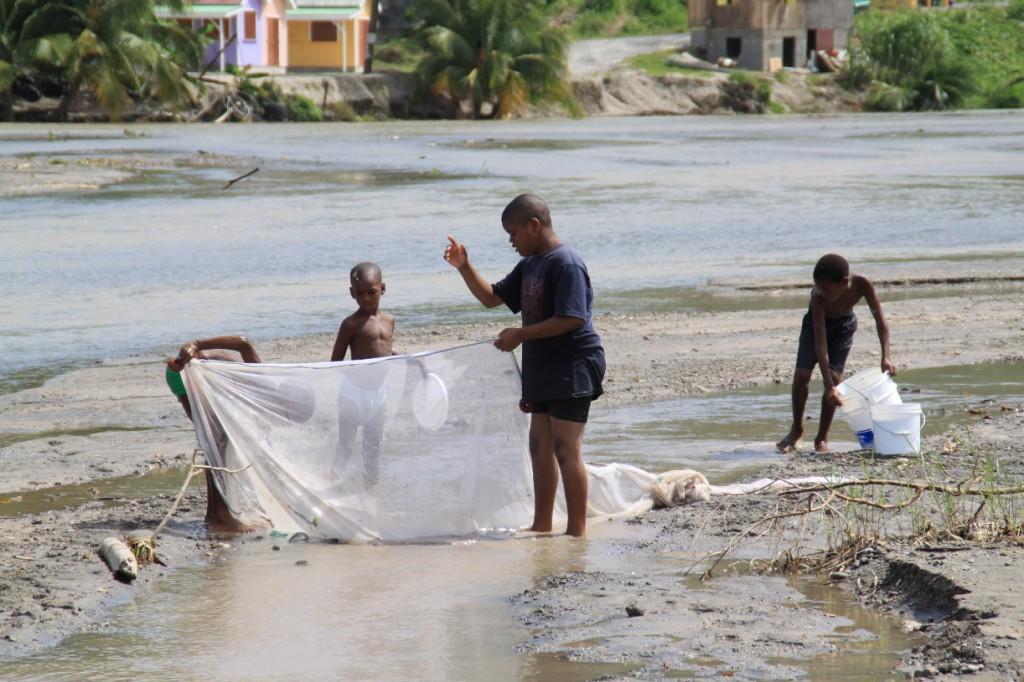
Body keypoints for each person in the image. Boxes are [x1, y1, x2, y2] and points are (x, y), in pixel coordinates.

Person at [444, 194, 605, 537]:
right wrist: (464, 266)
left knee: (566, 448)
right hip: (542, 366)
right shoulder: (530, 265)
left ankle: (577, 533)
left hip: (573, 364)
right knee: (539, 447)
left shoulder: (566, 263)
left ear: (534, 226)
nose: (511, 241)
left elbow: (573, 318)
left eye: (513, 233)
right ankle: (541, 526)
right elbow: (491, 298)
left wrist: (521, 333)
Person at [776, 254, 895, 454]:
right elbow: (820, 344)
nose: (821, 292)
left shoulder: (862, 284)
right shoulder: (818, 299)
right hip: (815, 327)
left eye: (826, 288)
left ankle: (821, 438)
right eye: (818, 287)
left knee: (834, 377)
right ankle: (796, 429)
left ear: (844, 283)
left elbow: (880, 319)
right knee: (802, 375)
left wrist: (886, 356)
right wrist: (829, 387)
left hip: (843, 327)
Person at [166, 335, 261, 533]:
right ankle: (222, 518)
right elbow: (243, 342)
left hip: (192, 373)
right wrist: (196, 344)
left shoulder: (253, 385)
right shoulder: (259, 377)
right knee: (214, 441)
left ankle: (215, 515)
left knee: (216, 441)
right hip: (186, 371)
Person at [330, 262, 396, 486]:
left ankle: (370, 491)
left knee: (372, 447)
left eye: (371, 292)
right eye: (359, 294)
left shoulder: (389, 320)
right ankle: (332, 483)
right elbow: (335, 361)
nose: (366, 298)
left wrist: (411, 360)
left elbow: (384, 349)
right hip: (353, 394)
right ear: (352, 293)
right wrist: (358, 376)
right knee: (346, 444)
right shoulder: (350, 324)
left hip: (378, 394)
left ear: (383, 289)